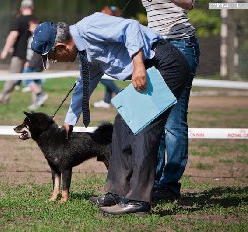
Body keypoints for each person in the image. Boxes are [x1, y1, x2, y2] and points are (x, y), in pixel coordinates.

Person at [31, 13, 190, 214]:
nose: (56, 61)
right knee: (122, 125)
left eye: (53, 57)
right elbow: (84, 85)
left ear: (62, 47)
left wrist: (138, 64)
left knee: (143, 126)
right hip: (151, 68)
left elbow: (131, 27)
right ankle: (117, 192)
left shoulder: (89, 26)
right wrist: (70, 119)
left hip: (165, 64)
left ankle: (138, 201)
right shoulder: (85, 53)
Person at [140, 0, 200, 201]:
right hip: (156, 46)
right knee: (155, 118)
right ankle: (153, 181)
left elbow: (189, 3)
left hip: (181, 43)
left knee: (174, 121)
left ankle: (169, 186)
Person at [0, 0, 35, 103]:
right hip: (33, 54)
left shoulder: (18, 20)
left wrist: (5, 51)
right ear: (32, 8)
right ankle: (38, 98)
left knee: (12, 76)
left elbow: (13, 36)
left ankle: (2, 97)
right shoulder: (36, 21)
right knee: (33, 77)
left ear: (21, 8)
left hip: (19, 54)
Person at [93, 6, 121, 109]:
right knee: (105, 76)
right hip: (107, 54)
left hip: (108, 55)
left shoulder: (110, 25)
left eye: (104, 12)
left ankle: (120, 94)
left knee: (101, 76)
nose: (101, 13)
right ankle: (106, 101)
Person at [25, 19, 49, 110]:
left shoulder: (38, 37)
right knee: (36, 83)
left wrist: (30, 63)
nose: (30, 28)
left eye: (32, 26)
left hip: (34, 63)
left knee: (27, 80)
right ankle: (36, 102)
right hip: (37, 62)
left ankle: (41, 94)